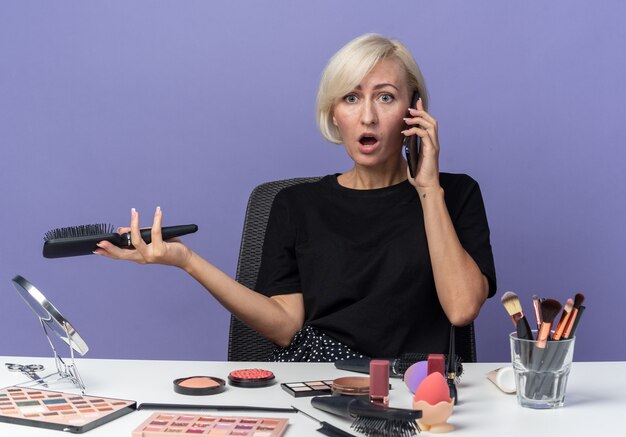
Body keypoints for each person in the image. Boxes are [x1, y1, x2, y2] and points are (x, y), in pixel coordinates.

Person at [94, 33, 496, 362]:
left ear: (414, 110)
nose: (368, 116)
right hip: (321, 387)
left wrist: (428, 190)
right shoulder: (296, 204)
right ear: (334, 113)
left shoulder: (454, 194)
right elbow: (286, 324)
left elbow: (461, 309)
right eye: (352, 98)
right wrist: (186, 261)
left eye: (386, 97)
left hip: (417, 395)